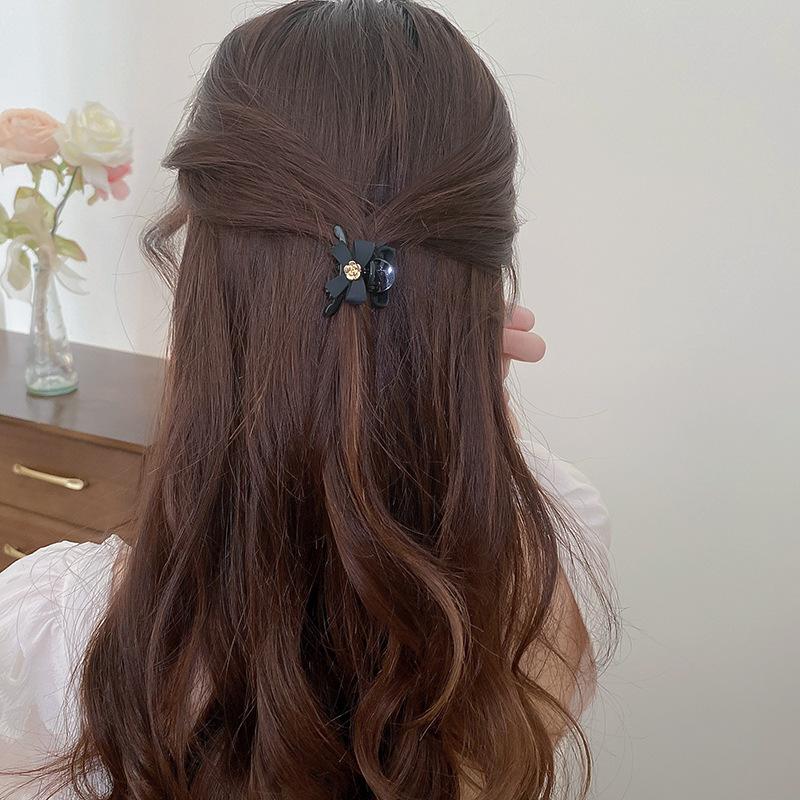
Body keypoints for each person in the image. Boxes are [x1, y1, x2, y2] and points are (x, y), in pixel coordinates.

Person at [0, 1, 616, 798]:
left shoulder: (50, 638)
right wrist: (454, 391)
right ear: (485, 268)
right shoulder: (555, 554)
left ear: (205, 272)